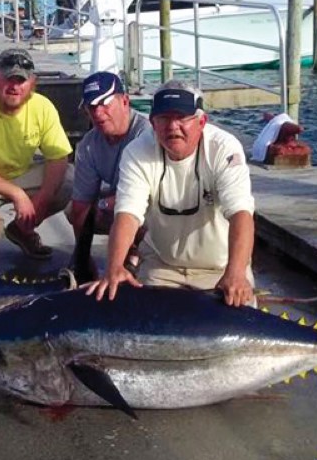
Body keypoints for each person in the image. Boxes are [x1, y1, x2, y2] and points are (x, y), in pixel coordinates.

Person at [86, 80, 256, 307]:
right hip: (163, 265)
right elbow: (128, 213)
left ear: (202, 121)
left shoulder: (224, 148)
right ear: (153, 124)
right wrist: (114, 267)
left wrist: (235, 272)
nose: (173, 126)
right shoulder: (137, 152)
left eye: (182, 117)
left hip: (221, 267)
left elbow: (241, 213)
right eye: (164, 118)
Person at [0, 48, 74, 260]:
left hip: (20, 175)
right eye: (8, 79)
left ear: (32, 82)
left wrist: (42, 199)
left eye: (21, 80)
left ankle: (22, 230)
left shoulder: (43, 107)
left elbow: (58, 157)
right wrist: (17, 194)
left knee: (68, 179)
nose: (14, 86)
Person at [67, 71, 150, 274]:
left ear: (125, 101)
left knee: (142, 209)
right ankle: (87, 264)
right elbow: (80, 205)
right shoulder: (88, 145)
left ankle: (136, 256)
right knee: (73, 211)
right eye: (92, 107)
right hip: (116, 200)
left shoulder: (147, 135)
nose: (98, 112)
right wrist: (84, 260)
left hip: (150, 202)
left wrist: (104, 204)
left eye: (105, 103)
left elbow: (140, 195)